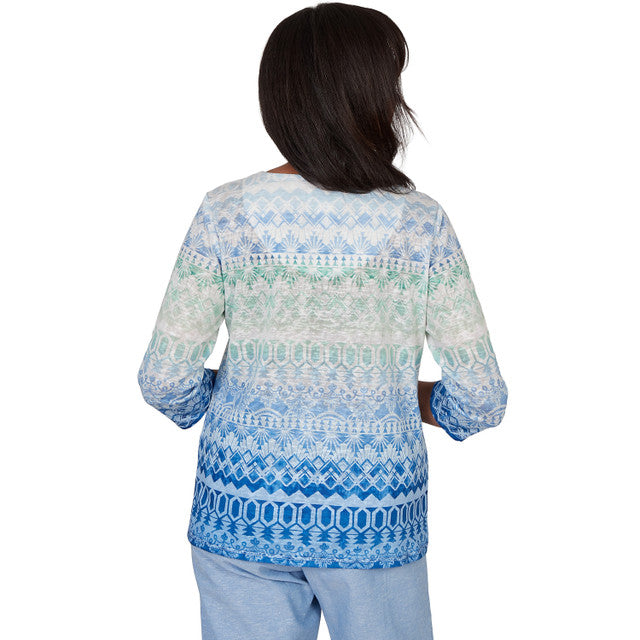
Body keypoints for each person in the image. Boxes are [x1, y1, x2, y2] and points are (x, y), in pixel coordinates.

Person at [137, 3, 508, 639]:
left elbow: (164, 381)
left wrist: (236, 392)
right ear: (374, 98)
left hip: (240, 506)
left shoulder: (224, 212)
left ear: (277, 99)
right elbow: (481, 399)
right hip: (373, 517)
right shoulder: (420, 223)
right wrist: (405, 397)